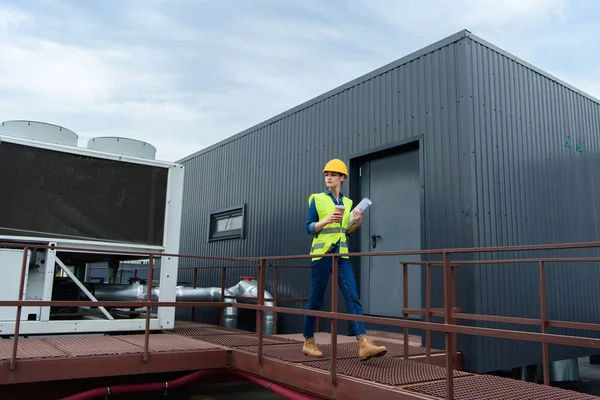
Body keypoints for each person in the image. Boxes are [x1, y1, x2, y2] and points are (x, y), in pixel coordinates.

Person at [302, 158, 387, 361]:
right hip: (322, 255)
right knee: (316, 299)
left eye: (333, 175)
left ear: (342, 178)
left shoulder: (348, 203)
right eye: (326, 175)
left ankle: (363, 343)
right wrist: (325, 221)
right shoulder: (316, 199)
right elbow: (308, 227)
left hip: (341, 255)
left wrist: (356, 223)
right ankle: (308, 341)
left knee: (352, 296)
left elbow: (346, 231)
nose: (329, 178)